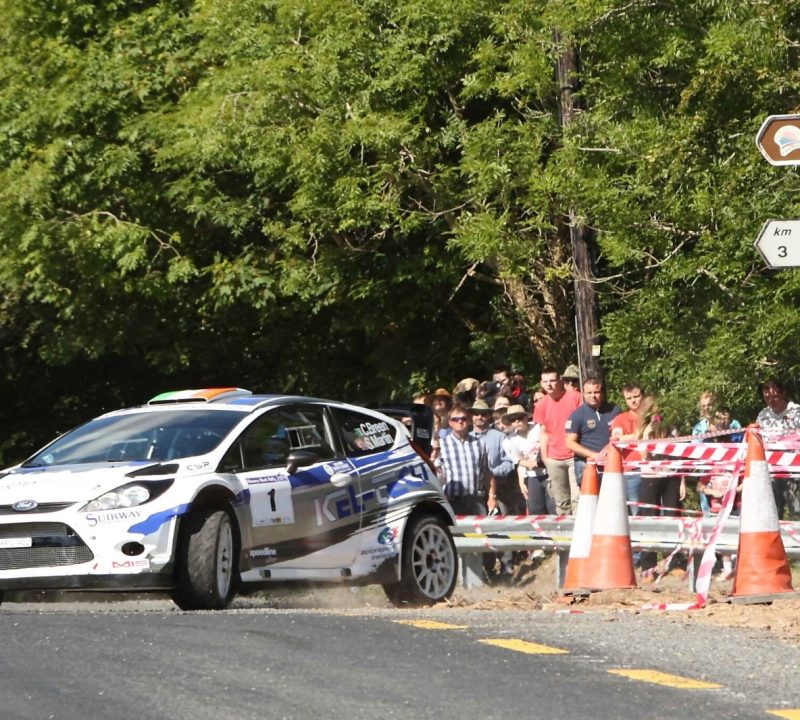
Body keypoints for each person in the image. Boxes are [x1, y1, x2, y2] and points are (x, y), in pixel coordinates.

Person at [533, 367, 583, 514]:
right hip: (554, 458)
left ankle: (579, 527)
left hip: (575, 456)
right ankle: (564, 528)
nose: (549, 384)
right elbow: (543, 432)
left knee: (578, 499)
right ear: (541, 383)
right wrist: (545, 457)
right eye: (545, 381)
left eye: (552, 380)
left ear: (560, 381)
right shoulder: (541, 405)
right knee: (561, 502)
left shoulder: (576, 397)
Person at [438, 404, 496, 515]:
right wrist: (441, 495)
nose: (460, 421)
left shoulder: (480, 443)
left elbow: (488, 472)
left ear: (469, 421)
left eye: (463, 419)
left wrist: (492, 496)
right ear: (450, 423)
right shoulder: (442, 444)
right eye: (455, 419)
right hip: (451, 500)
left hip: (476, 500)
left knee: (480, 527)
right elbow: (434, 472)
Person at [756, 378, 800, 518]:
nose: (771, 401)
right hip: (770, 471)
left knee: (797, 512)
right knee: (771, 514)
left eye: (774, 397)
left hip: (794, 471)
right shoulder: (763, 415)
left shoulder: (797, 412)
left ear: (784, 393)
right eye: (767, 397)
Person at [564, 377, 620, 487]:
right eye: (589, 393)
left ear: (602, 393)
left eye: (596, 392)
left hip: (612, 462)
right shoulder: (577, 415)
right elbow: (569, 443)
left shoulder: (615, 410)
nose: (593, 396)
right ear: (583, 394)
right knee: (591, 497)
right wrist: (594, 455)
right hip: (587, 464)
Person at [469, 400, 518, 514]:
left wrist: (491, 473)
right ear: (471, 416)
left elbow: (509, 462)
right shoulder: (466, 437)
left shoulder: (500, 437)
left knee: (502, 521)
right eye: (476, 413)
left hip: (499, 488)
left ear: (489, 416)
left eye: (483, 414)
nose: (480, 416)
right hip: (473, 490)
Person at [503, 404, 552, 515]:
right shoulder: (509, 441)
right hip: (532, 475)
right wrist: (521, 482)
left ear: (526, 417)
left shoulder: (538, 428)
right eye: (512, 419)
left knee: (553, 506)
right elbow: (518, 461)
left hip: (549, 472)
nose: (517, 421)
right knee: (535, 509)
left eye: (519, 417)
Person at [610, 383, 647, 515]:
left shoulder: (652, 416)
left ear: (643, 396)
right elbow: (617, 440)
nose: (633, 400)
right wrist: (639, 435)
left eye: (636, 396)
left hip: (652, 467)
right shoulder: (620, 419)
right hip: (632, 470)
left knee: (655, 509)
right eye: (629, 398)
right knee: (636, 511)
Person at [425, 387, 452, 463]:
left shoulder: (455, 421)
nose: (438, 400)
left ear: (448, 403)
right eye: (435, 399)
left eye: (442, 399)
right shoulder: (430, 424)